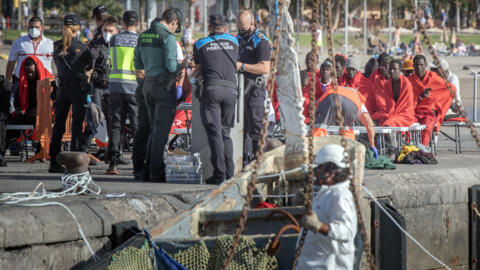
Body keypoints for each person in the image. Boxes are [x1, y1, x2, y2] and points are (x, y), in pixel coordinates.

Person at [134, 8, 187, 182]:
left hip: (147, 85)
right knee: (161, 132)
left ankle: (146, 170)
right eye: (175, 27)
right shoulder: (168, 38)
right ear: (174, 23)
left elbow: (138, 63)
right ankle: (156, 172)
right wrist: (184, 63)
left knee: (152, 129)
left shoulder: (143, 35)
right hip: (164, 86)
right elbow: (172, 67)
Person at [193, 14, 239, 184]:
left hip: (212, 89)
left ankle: (219, 174)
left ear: (210, 28)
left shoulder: (200, 43)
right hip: (231, 90)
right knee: (226, 132)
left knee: (215, 133)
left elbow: (197, 67)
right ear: (225, 28)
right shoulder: (234, 41)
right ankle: (230, 173)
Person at [296, 144, 357, 269]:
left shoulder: (340, 195)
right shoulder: (327, 192)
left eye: (319, 168)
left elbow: (346, 231)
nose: (316, 172)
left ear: (331, 171)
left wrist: (318, 226)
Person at [48, 14, 94, 173]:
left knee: (58, 126)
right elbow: (90, 65)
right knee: (76, 125)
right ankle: (74, 162)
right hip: (78, 89)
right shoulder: (81, 47)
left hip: (62, 89)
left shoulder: (56, 46)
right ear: (78, 28)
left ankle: (53, 161)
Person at [236, 10, 272, 166]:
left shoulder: (261, 41)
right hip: (240, 87)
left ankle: (259, 163)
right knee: (242, 127)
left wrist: (242, 66)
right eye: (239, 28)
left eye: (244, 29)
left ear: (253, 24)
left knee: (256, 126)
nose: (241, 32)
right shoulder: (238, 37)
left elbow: (265, 68)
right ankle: (244, 162)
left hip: (255, 89)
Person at [106, 11, 139, 175]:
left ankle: (113, 163)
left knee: (116, 126)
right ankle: (138, 165)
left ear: (123, 23)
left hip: (115, 87)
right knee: (136, 126)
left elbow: (109, 60)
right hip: (133, 87)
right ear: (137, 24)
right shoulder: (139, 40)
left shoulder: (114, 38)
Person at [313, 84, 377, 159]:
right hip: (351, 103)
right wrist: (372, 145)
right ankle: (348, 156)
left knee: (320, 127)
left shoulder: (332, 89)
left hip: (331, 96)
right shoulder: (358, 99)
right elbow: (369, 124)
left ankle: (314, 153)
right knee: (347, 130)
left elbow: (316, 106)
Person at [6, 17, 54, 112]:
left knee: (43, 110)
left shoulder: (50, 44)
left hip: (44, 81)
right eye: (31, 27)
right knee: (18, 109)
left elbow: (58, 63)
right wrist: (8, 81)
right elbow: (11, 62)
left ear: (42, 28)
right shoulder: (19, 43)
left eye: (37, 27)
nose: (34, 29)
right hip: (21, 81)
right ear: (28, 27)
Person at [409, 55, 456, 147]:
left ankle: (423, 149)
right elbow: (406, 99)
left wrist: (437, 103)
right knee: (408, 125)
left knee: (427, 126)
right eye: (416, 65)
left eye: (421, 65)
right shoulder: (409, 80)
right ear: (413, 66)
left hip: (429, 112)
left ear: (425, 65)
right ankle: (409, 148)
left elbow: (451, 89)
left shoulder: (433, 77)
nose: (419, 67)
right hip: (413, 111)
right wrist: (420, 97)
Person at [369, 59, 415, 127]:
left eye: (394, 69)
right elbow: (389, 105)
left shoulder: (406, 84)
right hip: (391, 114)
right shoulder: (387, 84)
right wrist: (388, 115)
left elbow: (406, 107)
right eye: (390, 69)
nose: (391, 71)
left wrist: (391, 115)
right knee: (370, 119)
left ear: (400, 70)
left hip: (405, 115)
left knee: (389, 123)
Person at [0, 76, 11, 166]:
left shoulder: (4, 84)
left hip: (2, 113)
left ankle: (0, 152)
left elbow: (5, 105)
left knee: (1, 118)